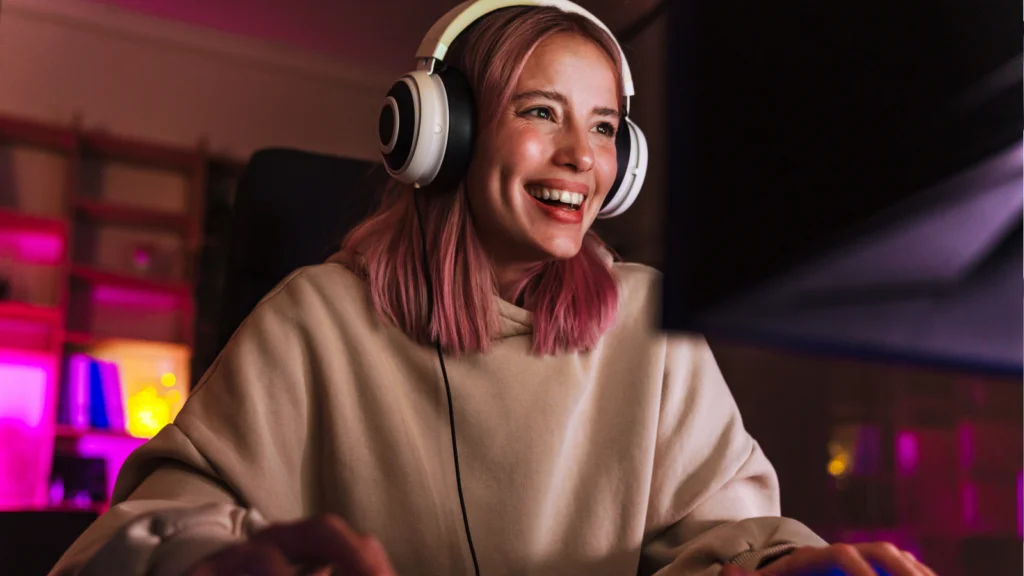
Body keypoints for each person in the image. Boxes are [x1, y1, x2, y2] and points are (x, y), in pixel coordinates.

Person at [52, 2, 939, 575]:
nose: (582, 157)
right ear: (444, 133)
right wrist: (212, 561)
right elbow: (132, 539)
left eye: (605, 128)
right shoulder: (314, 320)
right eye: (541, 111)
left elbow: (727, 539)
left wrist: (792, 568)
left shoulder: (650, 327)